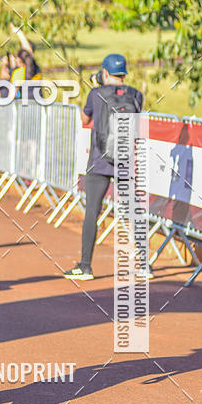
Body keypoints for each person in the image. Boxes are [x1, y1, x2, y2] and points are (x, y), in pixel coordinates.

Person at [63, 53, 143, 281]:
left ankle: (85, 266)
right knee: (132, 211)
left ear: (105, 73)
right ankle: (145, 265)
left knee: (92, 212)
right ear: (124, 73)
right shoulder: (136, 95)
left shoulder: (95, 94)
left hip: (99, 161)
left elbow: (85, 121)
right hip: (125, 160)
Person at [10, 23, 42, 101]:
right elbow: (28, 52)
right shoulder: (35, 68)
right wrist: (19, 33)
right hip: (40, 106)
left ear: (19, 59)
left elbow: (12, 95)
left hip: (25, 108)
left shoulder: (19, 72)